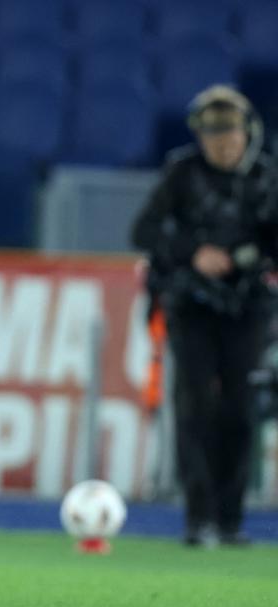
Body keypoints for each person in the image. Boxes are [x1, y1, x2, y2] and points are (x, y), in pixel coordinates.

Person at [131, 84, 278, 547]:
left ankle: (230, 519)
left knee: (241, 407)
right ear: (200, 137)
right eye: (212, 133)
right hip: (190, 304)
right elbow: (144, 231)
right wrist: (194, 252)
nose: (222, 142)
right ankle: (198, 519)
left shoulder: (267, 178)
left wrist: (245, 257)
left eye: (229, 131)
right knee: (194, 405)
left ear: (247, 132)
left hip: (247, 307)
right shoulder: (181, 172)